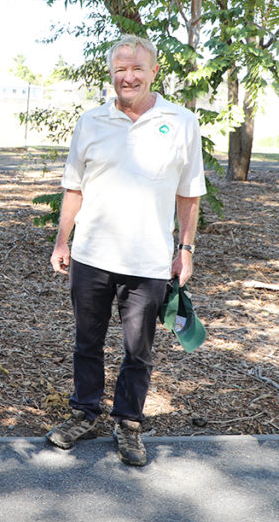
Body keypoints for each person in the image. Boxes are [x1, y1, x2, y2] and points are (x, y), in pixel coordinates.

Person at [47, 34, 205, 466]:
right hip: (91, 256)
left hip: (148, 261)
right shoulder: (91, 122)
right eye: (120, 69)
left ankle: (129, 423)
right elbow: (74, 186)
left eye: (137, 68)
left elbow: (189, 194)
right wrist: (62, 240)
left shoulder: (182, 122)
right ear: (111, 73)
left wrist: (185, 249)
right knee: (87, 343)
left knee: (138, 350)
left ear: (154, 71)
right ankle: (84, 412)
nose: (128, 77)